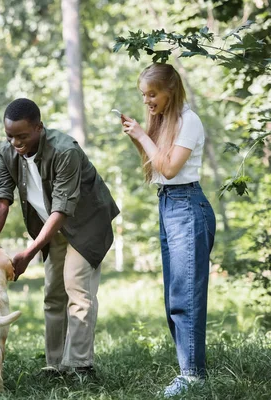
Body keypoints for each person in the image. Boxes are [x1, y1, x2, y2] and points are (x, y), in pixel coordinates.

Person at [0, 98, 119, 377]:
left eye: (22, 136)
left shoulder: (65, 151)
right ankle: (55, 364)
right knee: (53, 294)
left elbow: (62, 208)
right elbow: (2, 199)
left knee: (77, 289)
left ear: (39, 127)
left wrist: (29, 252)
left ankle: (79, 366)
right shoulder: (6, 153)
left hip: (86, 223)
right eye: (10, 136)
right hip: (51, 226)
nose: (15, 142)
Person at [120, 63, 216, 397]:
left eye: (152, 94)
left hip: (188, 206)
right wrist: (139, 137)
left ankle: (193, 375)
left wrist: (144, 136)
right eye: (143, 95)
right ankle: (189, 370)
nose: (147, 101)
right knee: (173, 296)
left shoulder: (189, 121)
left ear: (170, 91)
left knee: (185, 295)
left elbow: (172, 169)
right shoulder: (165, 123)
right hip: (168, 206)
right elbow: (154, 170)